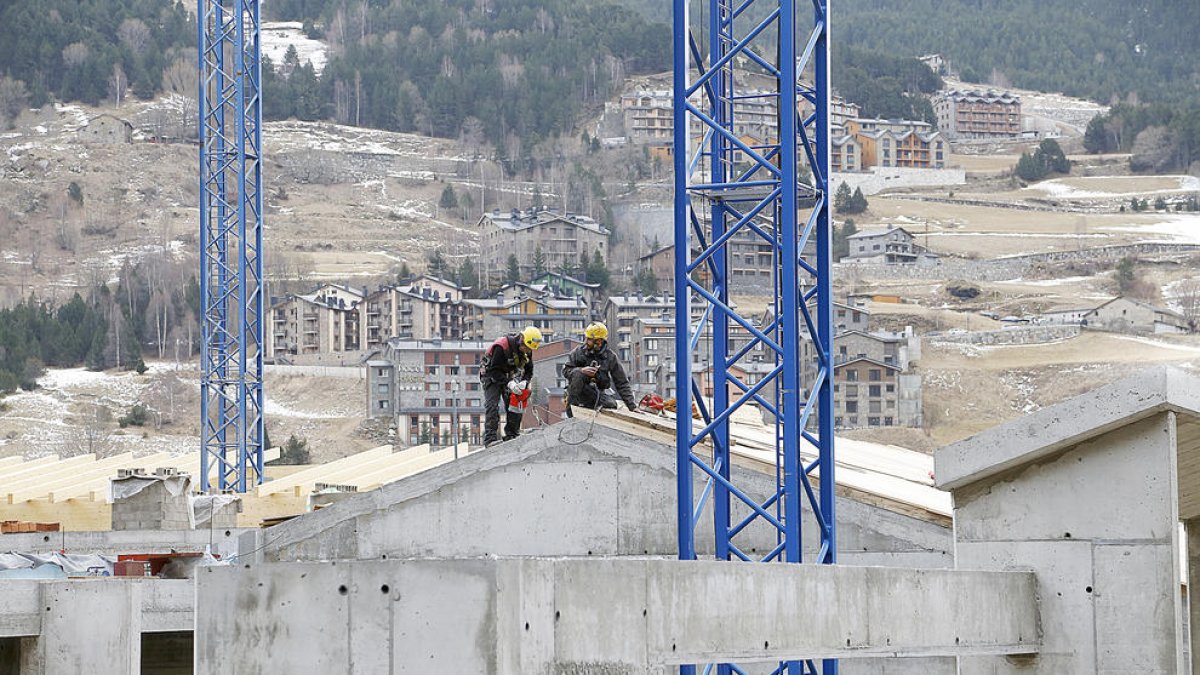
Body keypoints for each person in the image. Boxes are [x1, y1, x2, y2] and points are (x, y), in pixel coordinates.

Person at [480, 326, 542, 446]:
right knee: (492, 404)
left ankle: (512, 433)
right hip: (491, 374)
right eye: (525, 347)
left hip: (509, 374)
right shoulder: (502, 346)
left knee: (516, 402)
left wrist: (525, 381)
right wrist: (509, 383)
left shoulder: (528, 350)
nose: (526, 351)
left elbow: (529, 370)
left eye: (529, 349)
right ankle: (490, 439)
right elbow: (494, 370)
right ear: (521, 339)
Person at [563, 322, 638, 414]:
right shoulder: (578, 353)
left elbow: (622, 383)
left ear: (599, 342)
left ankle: (590, 407)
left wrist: (632, 407)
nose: (586, 341)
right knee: (578, 374)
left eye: (590, 339)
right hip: (577, 393)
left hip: (595, 394)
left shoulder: (610, 357)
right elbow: (566, 371)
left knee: (611, 404)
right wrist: (581, 370)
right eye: (587, 338)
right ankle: (571, 410)